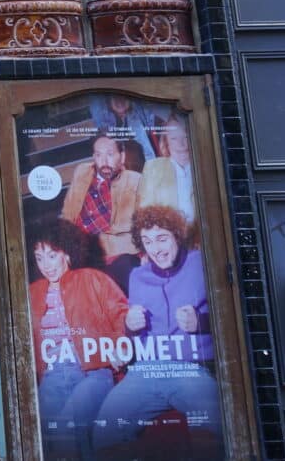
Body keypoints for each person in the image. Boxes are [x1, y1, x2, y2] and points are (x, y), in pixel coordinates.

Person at [93, 205, 222, 458]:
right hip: (146, 371)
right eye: (148, 241)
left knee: (218, 428)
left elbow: (232, 318)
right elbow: (134, 337)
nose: (156, 249)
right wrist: (130, 327)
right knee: (104, 432)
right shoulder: (137, 277)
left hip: (191, 369)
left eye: (162, 238)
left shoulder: (202, 264)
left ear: (176, 236)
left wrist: (201, 322)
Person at [28, 218, 128, 461]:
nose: (46, 265)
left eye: (52, 255)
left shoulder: (93, 279)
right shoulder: (33, 292)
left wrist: (120, 349)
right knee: (45, 435)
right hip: (51, 376)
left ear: (68, 253)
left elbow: (122, 315)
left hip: (93, 373)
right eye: (39, 257)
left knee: (69, 428)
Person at [61, 133, 143, 294]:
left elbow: (144, 222)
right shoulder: (82, 172)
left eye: (110, 154)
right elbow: (67, 214)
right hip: (80, 251)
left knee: (128, 275)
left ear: (122, 156)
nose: (104, 162)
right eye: (98, 155)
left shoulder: (135, 180)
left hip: (117, 253)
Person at [140, 115, 197, 223]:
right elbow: (144, 216)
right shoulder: (153, 169)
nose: (182, 145)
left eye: (185, 137)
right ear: (166, 142)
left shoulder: (204, 165)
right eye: (174, 138)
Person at [90, 95, 160, 162]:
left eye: (123, 98)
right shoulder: (104, 119)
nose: (120, 102)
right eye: (116, 98)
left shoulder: (136, 118)